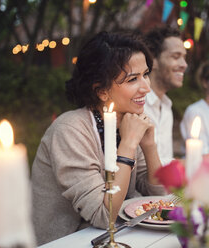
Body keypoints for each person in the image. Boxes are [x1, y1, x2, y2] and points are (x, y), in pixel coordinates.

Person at [31, 31, 166, 245]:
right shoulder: (69, 131)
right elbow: (105, 215)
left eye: (146, 74)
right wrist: (129, 144)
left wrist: (149, 145)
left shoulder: (128, 121)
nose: (147, 87)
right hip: (67, 242)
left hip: (116, 239)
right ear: (102, 91)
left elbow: (159, 194)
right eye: (133, 79)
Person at [143, 26, 188, 164]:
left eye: (184, 58)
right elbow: (142, 168)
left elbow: (164, 161)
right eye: (176, 57)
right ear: (153, 60)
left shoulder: (167, 107)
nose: (184, 64)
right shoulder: (137, 104)